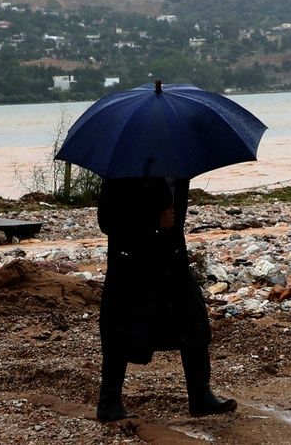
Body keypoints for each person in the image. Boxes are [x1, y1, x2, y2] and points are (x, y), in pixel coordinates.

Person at [96, 176, 237, 421]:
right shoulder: (122, 172)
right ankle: (109, 402)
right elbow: (107, 220)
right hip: (132, 264)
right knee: (120, 329)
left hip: (172, 259)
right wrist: (152, 221)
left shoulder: (179, 167)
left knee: (194, 320)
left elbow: (175, 218)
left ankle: (200, 396)